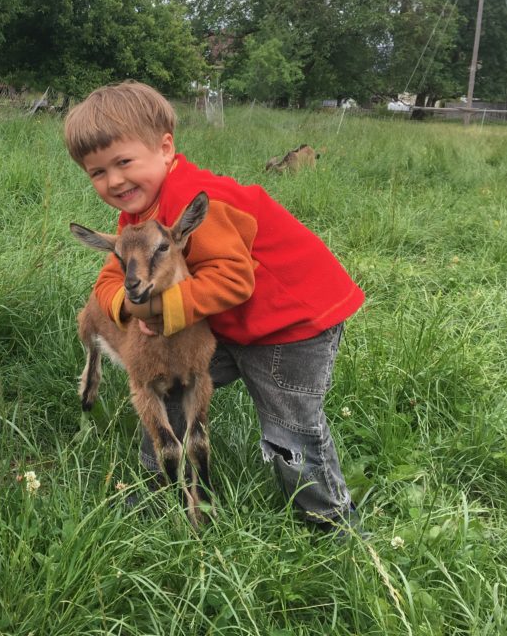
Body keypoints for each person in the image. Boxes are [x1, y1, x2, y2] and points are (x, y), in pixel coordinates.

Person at [63, 81, 365, 536]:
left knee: (289, 428)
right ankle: (162, 491)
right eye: (98, 172)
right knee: (164, 385)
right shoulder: (138, 219)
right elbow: (108, 280)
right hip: (228, 325)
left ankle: (332, 523)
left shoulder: (197, 200)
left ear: (165, 148)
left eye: (124, 162)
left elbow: (234, 278)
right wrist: (128, 307)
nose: (115, 181)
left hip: (292, 326)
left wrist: (160, 310)